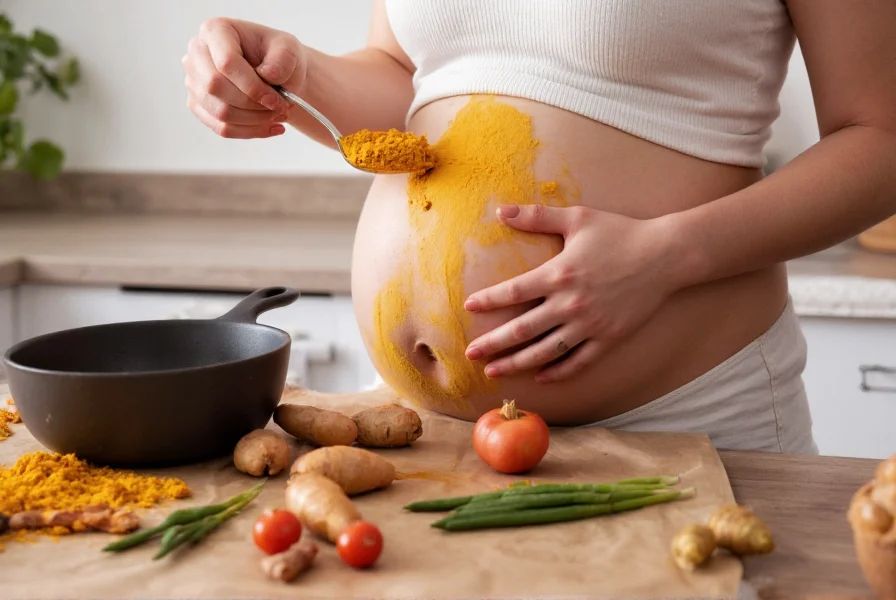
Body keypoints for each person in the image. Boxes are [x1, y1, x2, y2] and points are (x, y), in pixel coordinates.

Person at [182, 1, 896, 453]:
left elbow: (882, 138)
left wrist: (665, 256)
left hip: (681, 421)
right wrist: (293, 75)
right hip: (425, 435)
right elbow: (409, 79)